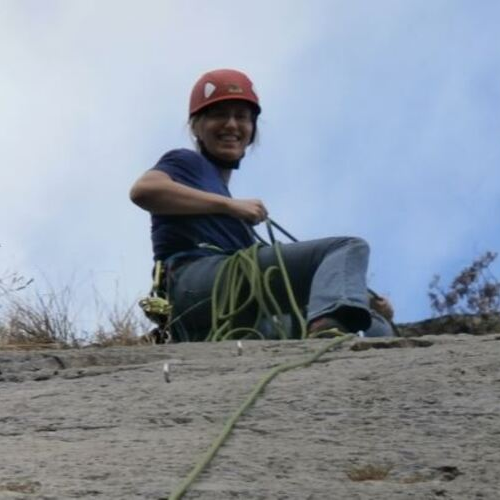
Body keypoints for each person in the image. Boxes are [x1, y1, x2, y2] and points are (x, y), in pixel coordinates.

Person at [130, 68, 395, 341]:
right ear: (196, 126)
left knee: (375, 324)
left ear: (252, 129)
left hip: (224, 305)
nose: (232, 125)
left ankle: (336, 336)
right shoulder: (186, 162)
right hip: (193, 281)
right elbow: (144, 190)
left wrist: (362, 298)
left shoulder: (227, 207)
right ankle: (326, 330)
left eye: (242, 117)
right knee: (348, 247)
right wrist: (230, 207)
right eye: (220, 114)